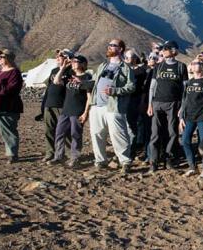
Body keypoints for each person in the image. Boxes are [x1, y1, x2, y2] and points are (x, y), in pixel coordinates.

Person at [79, 39, 135, 174]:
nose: (109, 47)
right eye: (109, 45)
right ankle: (100, 161)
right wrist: (82, 82)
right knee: (97, 134)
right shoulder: (103, 65)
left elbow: (131, 86)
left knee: (118, 135)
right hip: (97, 105)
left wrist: (115, 91)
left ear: (120, 49)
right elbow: (96, 82)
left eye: (113, 45)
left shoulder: (125, 68)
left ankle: (125, 161)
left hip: (113, 106)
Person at [147, 40, 188, 172]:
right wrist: (149, 104)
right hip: (157, 102)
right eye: (163, 48)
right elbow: (152, 87)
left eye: (167, 48)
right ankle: (153, 161)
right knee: (155, 133)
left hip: (174, 103)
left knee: (173, 132)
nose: (163, 50)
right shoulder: (158, 67)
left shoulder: (181, 67)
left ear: (174, 51)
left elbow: (185, 88)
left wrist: (182, 107)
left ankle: (168, 159)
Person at [50, 54, 91, 168]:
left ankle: (75, 158)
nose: (73, 63)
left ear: (83, 64)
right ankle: (59, 156)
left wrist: (85, 113)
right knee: (59, 133)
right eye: (72, 61)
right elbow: (56, 81)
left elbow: (89, 98)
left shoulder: (87, 77)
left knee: (75, 135)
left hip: (77, 111)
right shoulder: (69, 76)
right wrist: (63, 68)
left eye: (76, 61)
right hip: (66, 110)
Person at [38, 49, 72, 162]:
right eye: (57, 56)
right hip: (49, 104)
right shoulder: (53, 70)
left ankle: (71, 153)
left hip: (63, 105)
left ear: (67, 58)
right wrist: (43, 107)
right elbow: (48, 89)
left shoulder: (71, 71)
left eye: (61, 56)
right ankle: (50, 153)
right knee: (49, 130)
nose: (57, 58)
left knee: (65, 131)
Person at [179, 59, 203, 176]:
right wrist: (181, 116)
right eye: (192, 64)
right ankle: (192, 166)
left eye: (196, 63)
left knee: (202, 143)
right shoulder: (189, 82)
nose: (194, 65)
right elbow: (185, 100)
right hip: (189, 116)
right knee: (185, 140)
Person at [0, 49, 23, 163]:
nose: (0, 58)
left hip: (7, 107)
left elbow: (11, 89)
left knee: (8, 131)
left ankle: (12, 154)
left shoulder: (14, 72)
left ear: (8, 58)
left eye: (2, 56)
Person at [124, 49, 148, 160]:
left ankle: (134, 150)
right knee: (125, 126)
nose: (130, 59)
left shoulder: (141, 71)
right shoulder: (123, 70)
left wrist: (142, 101)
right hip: (124, 99)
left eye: (132, 57)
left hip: (136, 99)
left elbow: (144, 88)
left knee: (135, 126)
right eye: (127, 57)